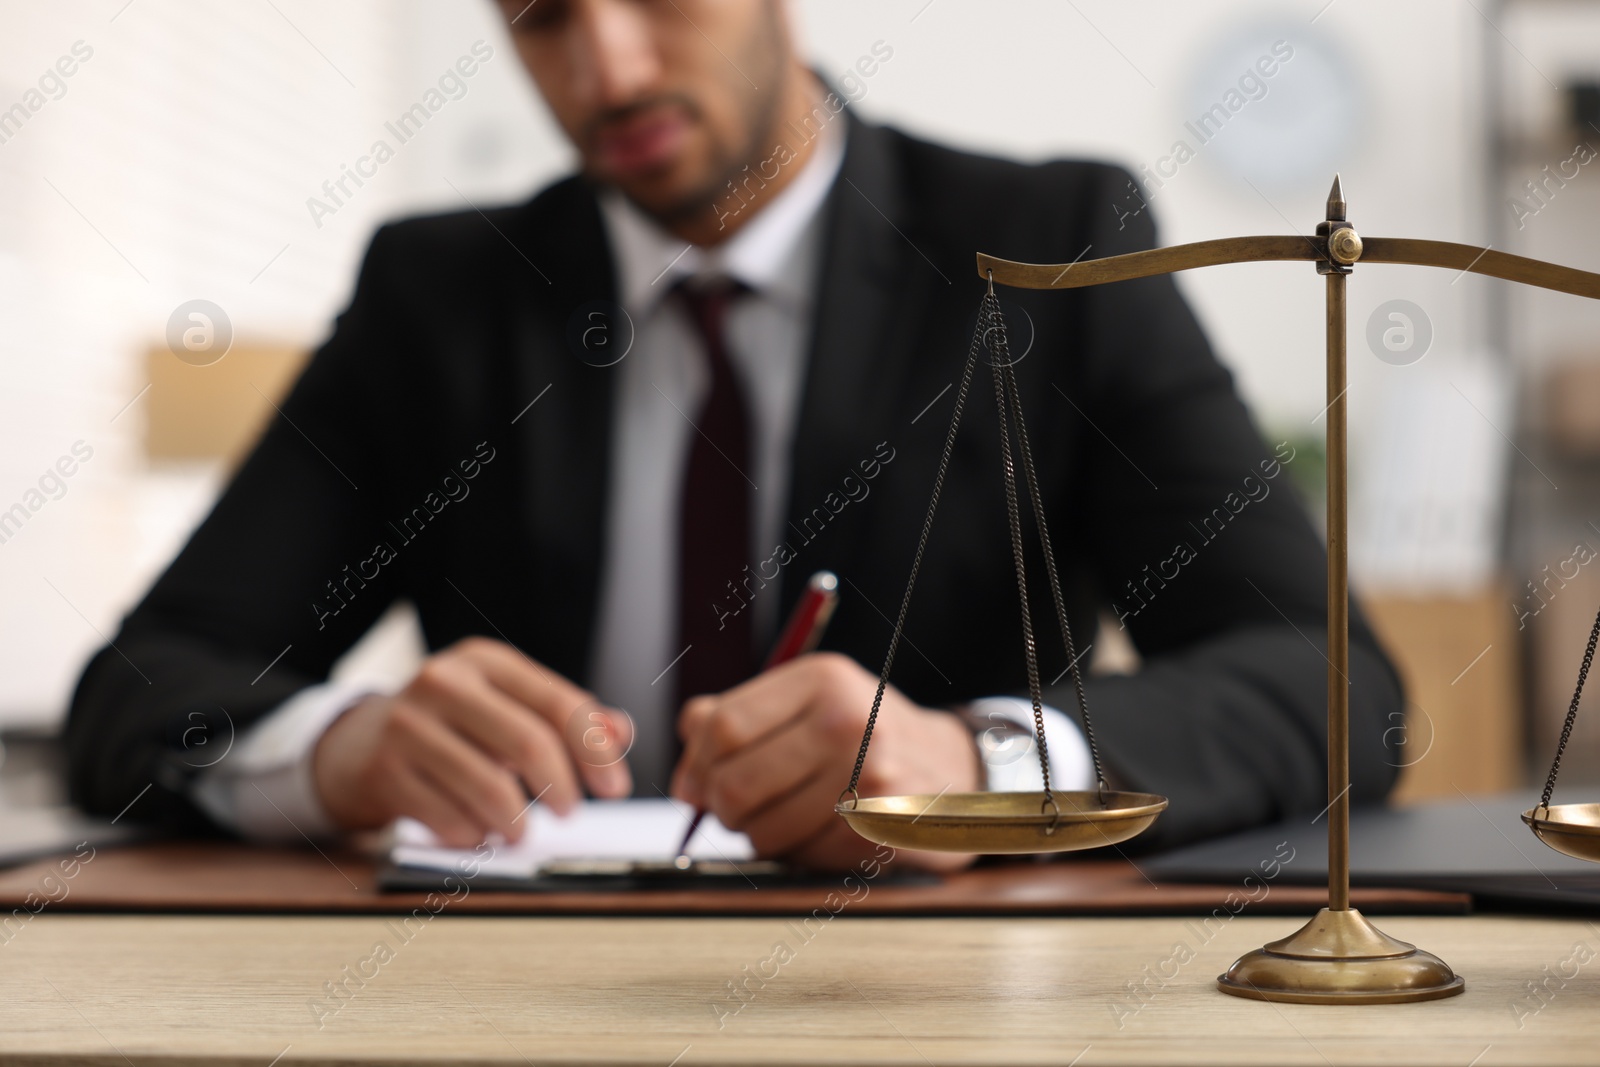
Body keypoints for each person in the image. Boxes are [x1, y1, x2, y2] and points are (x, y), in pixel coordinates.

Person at [66, 0, 1403, 870]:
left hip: (936, 996)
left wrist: (978, 765)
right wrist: (333, 749)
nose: (608, 69)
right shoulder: (440, 298)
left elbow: (1338, 688)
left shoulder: (1044, 246)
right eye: (541, 20)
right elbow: (141, 686)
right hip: (505, 1002)